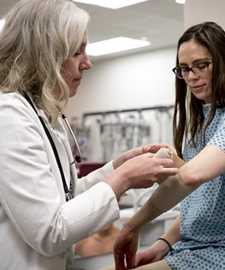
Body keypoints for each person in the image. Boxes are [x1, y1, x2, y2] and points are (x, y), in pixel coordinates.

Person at [0, 1, 179, 269]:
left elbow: (67, 198)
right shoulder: (10, 117)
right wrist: (125, 177)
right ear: (45, 55)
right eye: (77, 52)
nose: (88, 63)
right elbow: (50, 231)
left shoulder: (47, 117)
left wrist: (117, 167)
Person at [104, 22, 225, 270]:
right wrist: (163, 244)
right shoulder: (202, 124)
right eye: (184, 69)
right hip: (198, 247)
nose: (191, 76)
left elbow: (191, 176)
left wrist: (132, 225)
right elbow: (200, 199)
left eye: (201, 66)